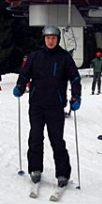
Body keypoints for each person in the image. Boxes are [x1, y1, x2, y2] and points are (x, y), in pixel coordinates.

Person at [13, 25, 82, 188]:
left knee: (57, 140)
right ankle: (35, 169)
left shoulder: (64, 57)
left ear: (57, 39)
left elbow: (75, 78)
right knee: (35, 137)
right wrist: (20, 87)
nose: (50, 41)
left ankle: (63, 173)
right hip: (36, 104)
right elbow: (24, 74)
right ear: (44, 39)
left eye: (53, 38)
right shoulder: (35, 56)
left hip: (55, 106)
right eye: (47, 38)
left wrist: (76, 96)